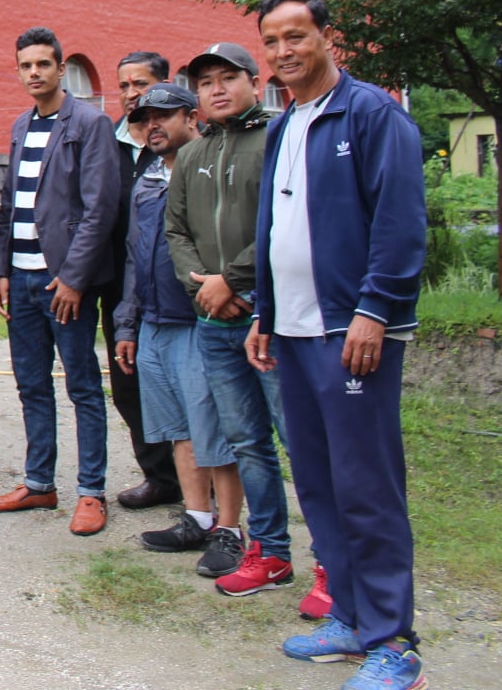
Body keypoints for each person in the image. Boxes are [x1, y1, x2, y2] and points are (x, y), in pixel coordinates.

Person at [249, 0, 428, 690]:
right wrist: (264, 312)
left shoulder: (373, 114)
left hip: (350, 332)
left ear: (328, 36)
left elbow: (401, 222)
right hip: (292, 332)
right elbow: (275, 230)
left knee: (368, 487)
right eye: (273, 40)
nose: (284, 51)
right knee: (321, 483)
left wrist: (374, 310)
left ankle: (396, 643)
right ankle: (351, 616)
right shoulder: (284, 123)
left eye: (297, 36)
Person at [165, 42, 315, 603]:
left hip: (272, 318)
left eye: (229, 78)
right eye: (206, 83)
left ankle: (329, 562)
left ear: (256, 81)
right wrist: (204, 287)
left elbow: (289, 218)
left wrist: (235, 279)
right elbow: (176, 231)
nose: (218, 89)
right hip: (215, 321)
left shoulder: (279, 139)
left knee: (298, 439)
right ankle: (271, 552)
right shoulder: (194, 153)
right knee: (246, 442)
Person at [0, 27, 119, 536]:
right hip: (20, 279)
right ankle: (39, 482)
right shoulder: (20, 125)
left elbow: (99, 210)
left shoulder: (90, 123)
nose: (34, 73)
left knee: (83, 386)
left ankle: (91, 491)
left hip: (64, 285)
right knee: (31, 386)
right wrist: (0, 269)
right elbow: (10, 203)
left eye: (43, 64)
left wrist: (73, 279)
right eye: (25, 66)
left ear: (62, 69)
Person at [111, 84, 246, 579]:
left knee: (215, 431)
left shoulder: (212, 169)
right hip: (153, 322)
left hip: (201, 322)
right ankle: (197, 517)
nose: (153, 126)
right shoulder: (146, 179)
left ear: (192, 117)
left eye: (163, 117)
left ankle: (230, 531)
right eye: (145, 118)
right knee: (180, 431)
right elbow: (133, 255)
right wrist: (128, 322)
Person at [104, 51, 182, 510]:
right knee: (129, 385)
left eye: (142, 84)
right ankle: (160, 476)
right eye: (124, 86)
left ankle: (205, 476)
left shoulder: (179, 142)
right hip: (120, 286)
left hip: (177, 286)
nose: (132, 94)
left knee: (181, 383)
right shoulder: (107, 143)